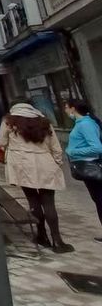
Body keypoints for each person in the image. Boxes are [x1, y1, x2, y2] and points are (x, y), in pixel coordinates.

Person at [0, 103, 73, 253]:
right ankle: (57, 241)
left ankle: (42, 235)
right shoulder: (44, 121)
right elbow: (55, 147)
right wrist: (57, 163)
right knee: (49, 203)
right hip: (46, 162)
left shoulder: (9, 122)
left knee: (33, 200)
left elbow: (1, 142)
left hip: (23, 165)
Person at [64, 99, 102, 243]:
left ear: (73, 109)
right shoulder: (82, 123)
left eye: (67, 108)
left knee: (99, 199)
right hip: (88, 167)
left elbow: (97, 148)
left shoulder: (85, 124)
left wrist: (73, 151)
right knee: (98, 199)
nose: (66, 111)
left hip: (91, 166)